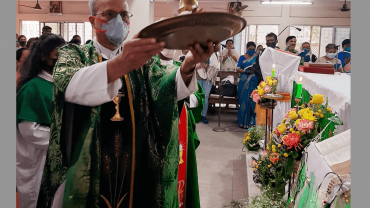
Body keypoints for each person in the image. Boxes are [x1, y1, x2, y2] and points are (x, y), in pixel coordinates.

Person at [37, 0, 219, 207]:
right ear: (93, 21)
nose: (118, 20)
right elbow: (70, 86)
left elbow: (167, 89)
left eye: (124, 14)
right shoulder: (74, 54)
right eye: (109, 14)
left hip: (137, 169)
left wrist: (188, 65)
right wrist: (122, 63)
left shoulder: (143, 62)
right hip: (89, 172)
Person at [16, 33, 65, 208]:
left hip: (61, 159)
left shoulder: (62, 84)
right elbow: (30, 131)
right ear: (43, 57)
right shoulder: (32, 87)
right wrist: (64, 138)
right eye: (57, 57)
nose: (62, 62)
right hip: (39, 158)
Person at [236, 42, 258, 128]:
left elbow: (259, 68)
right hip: (243, 81)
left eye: (253, 49)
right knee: (243, 102)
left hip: (253, 81)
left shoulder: (257, 58)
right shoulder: (242, 57)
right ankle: (242, 122)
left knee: (253, 101)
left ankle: (252, 122)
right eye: (250, 49)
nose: (251, 51)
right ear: (246, 49)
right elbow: (238, 68)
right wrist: (246, 71)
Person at [196, 52, 219, 124]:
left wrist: (208, 66)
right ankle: (197, 115)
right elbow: (190, 66)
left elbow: (216, 66)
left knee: (205, 96)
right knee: (197, 97)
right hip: (197, 77)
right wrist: (198, 67)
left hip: (208, 79)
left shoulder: (212, 54)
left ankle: (204, 115)